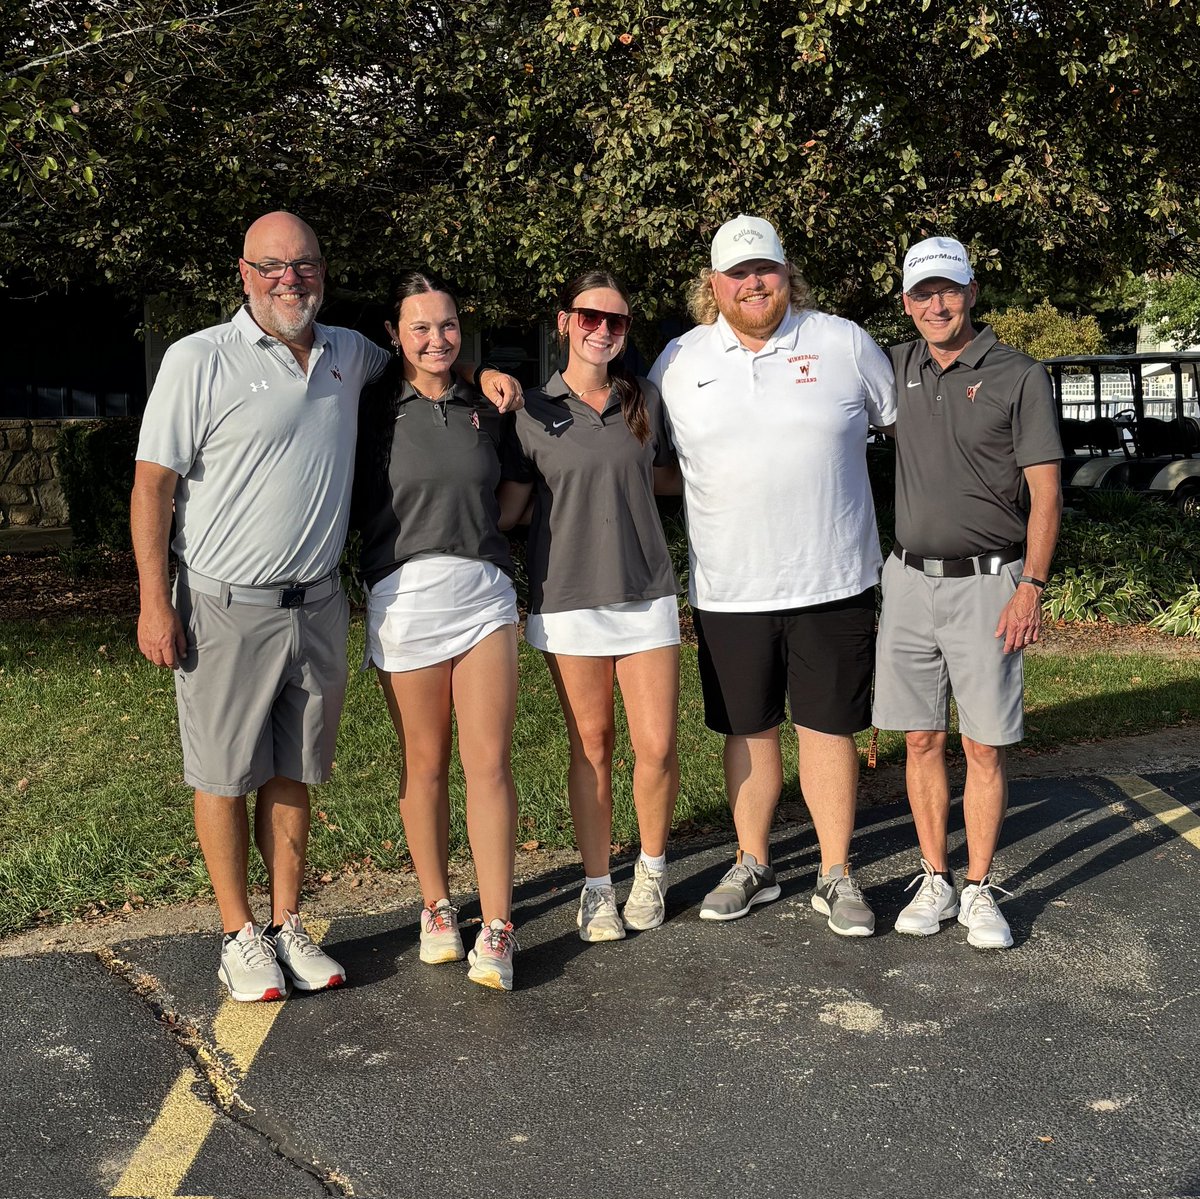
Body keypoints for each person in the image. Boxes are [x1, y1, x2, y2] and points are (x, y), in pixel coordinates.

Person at [131, 212, 520, 1002]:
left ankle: (285, 923)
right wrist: (151, 600)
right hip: (223, 602)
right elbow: (152, 487)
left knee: (293, 771)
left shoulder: (348, 353)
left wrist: (481, 369)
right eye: (271, 267)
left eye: (303, 265)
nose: (289, 280)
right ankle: (238, 934)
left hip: (314, 603)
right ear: (244, 273)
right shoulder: (197, 358)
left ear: (321, 270)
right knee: (224, 773)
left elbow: (427, 350)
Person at [648, 215, 896, 936]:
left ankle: (835, 873)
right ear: (714, 285)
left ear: (787, 274)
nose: (753, 282)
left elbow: (904, 425)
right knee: (748, 729)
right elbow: (649, 459)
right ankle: (752, 862)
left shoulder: (844, 341)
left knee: (829, 728)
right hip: (730, 587)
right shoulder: (679, 360)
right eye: (738, 273)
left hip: (835, 579)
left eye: (766, 269)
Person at [874, 235, 1063, 949]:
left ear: (972, 291)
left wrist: (1032, 586)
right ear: (906, 303)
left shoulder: (1018, 374)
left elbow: (1046, 496)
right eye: (922, 294)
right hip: (909, 580)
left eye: (948, 289)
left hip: (992, 585)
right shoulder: (895, 367)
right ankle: (935, 876)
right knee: (921, 737)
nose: (936, 304)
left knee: (983, 744)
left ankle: (979, 887)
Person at [499, 271, 680, 943]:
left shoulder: (646, 401)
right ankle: (598, 885)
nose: (603, 330)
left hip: (646, 592)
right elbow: (511, 508)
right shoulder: (529, 409)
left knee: (656, 746)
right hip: (569, 598)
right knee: (594, 745)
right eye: (590, 317)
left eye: (617, 321)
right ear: (564, 321)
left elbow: (667, 479)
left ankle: (652, 869)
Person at [353, 271, 520, 990]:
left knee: (489, 763)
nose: (435, 339)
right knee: (424, 763)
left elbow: (515, 484)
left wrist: (487, 532)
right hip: (405, 597)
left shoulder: (485, 401)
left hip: (484, 593)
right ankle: (436, 906)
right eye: (419, 327)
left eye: (447, 325)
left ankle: (499, 924)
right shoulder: (370, 410)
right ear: (395, 334)